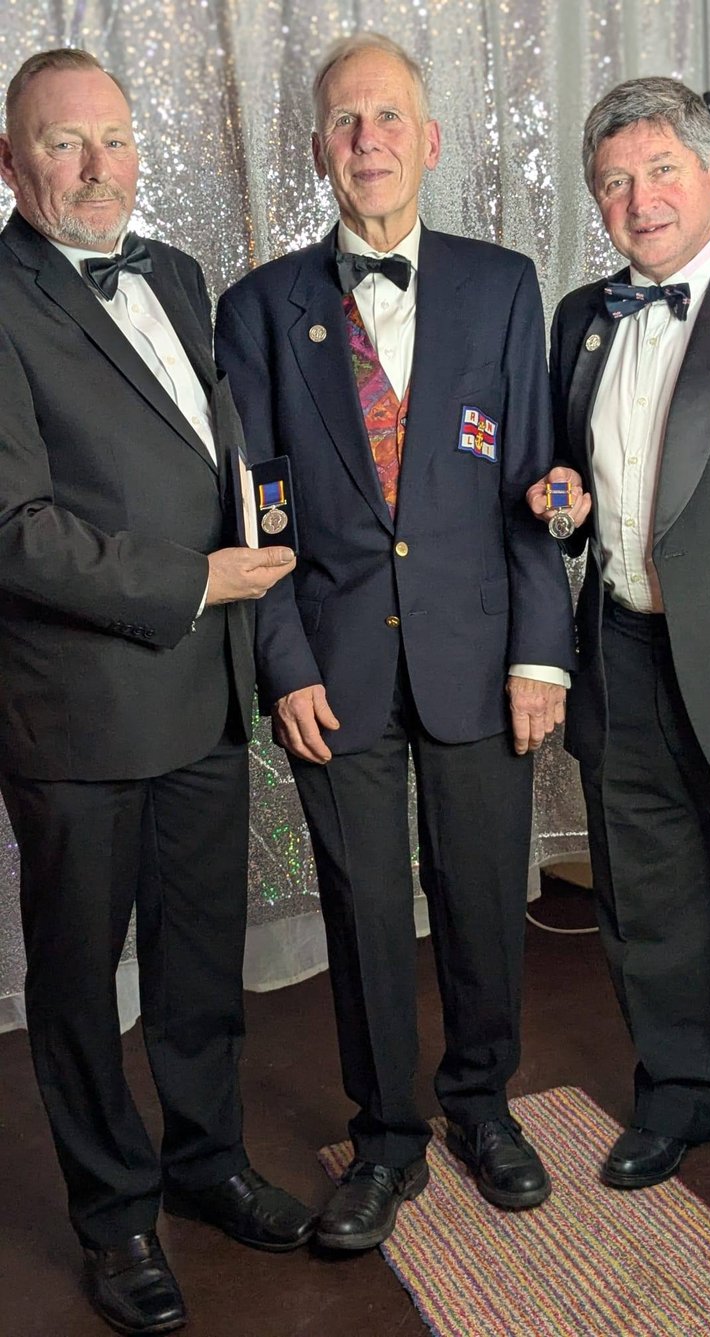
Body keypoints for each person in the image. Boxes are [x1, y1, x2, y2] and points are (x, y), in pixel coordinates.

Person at [216, 32, 575, 1251]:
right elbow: (252, 510)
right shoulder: (257, 308)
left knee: (479, 898)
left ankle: (480, 1105)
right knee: (366, 905)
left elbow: (533, 480)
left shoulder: (501, 283)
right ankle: (385, 1140)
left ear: (425, 141)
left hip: (481, 655)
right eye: (342, 121)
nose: (366, 139)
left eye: (387, 119)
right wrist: (282, 658)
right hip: (335, 663)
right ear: (318, 148)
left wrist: (542, 653)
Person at [0, 48, 314, 1336]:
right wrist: (197, 578)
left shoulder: (177, 274)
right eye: (68, 145)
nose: (98, 169)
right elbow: (15, 527)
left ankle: (205, 1158)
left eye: (116, 141)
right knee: (80, 979)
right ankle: (115, 1212)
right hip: (78, 708)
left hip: (204, 690)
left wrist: (281, 540)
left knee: (198, 957)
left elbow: (221, 450)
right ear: (11, 162)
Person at [529, 75, 710, 1233]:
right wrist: (563, 498)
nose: (638, 197)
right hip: (620, 647)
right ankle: (678, 1096)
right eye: (612, 181)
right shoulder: (580, 316)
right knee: (649, 905)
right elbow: (576, 475)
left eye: (659, 169)